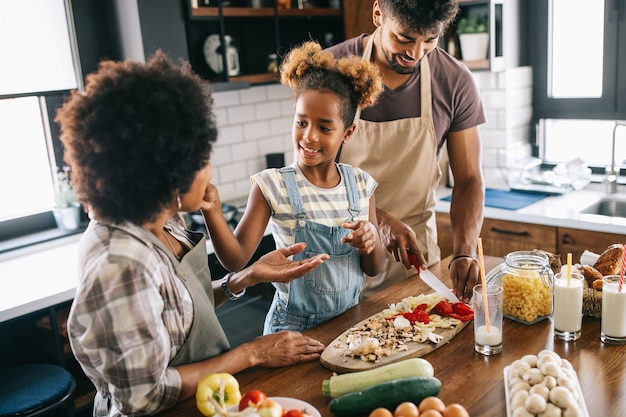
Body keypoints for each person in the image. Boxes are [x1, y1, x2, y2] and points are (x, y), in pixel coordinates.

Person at [57, 51, 329, 417]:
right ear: (169, 171)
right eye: (202, 159)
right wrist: (253, 352)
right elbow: (144, 396)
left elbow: (176, 314)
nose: (209, 169)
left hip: (207, 402)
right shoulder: (121, 262)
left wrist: (243, 278)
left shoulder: (162, 220)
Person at [204, 41, 387, 333]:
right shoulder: (273, 185)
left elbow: (375, 268)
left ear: (348, 132)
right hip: (290, 330)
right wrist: (212, 210)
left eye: (325, 128)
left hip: (348, 326)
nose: (309, 136)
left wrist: (371, 240)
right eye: (301, 122)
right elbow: (235, 259)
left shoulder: (362, 185)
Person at [325, 0, 486, 302]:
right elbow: (308, 180)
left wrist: (464, 251)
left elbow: (469, 180)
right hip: (336, 266)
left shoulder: (454, 81)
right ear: (377, 14)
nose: (415, 53)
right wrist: (378, 222)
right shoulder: (329, 72)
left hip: (414, 268)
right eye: (404, 38)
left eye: (430, 40)